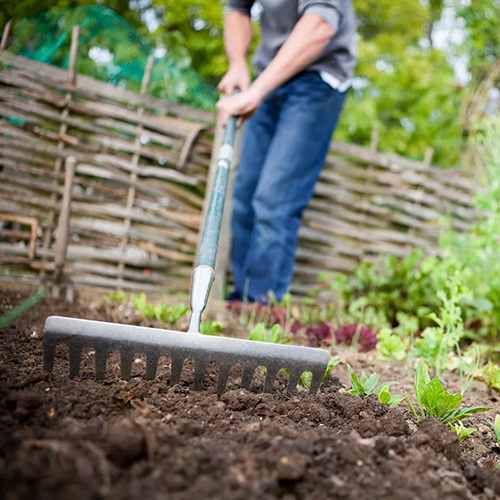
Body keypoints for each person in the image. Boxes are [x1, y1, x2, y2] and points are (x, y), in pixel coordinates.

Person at [217, 0, 356, 303]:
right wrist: (238, 63)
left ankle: (261, 308)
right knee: (244, 195)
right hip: (269, 74)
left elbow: (320, 25)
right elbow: (237, 9)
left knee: (274, 198)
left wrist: (256, 91)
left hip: (318, 75)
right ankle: (241, 301)